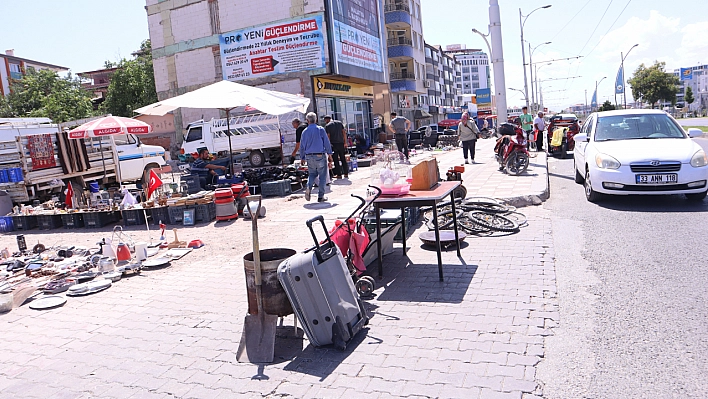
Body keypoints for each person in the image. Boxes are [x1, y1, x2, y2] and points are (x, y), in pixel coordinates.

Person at [299, 112, 333, 202]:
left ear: (307, 121)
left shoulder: (304, 132)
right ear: (316, 119)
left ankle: (308, 187)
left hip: (309, 156)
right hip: (320, 155)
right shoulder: (320, 129)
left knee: (312, 174)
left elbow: (301, 146)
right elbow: (326, 143)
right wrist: (330, 155)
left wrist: (302, 157)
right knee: (322, 176)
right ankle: (321, 196)